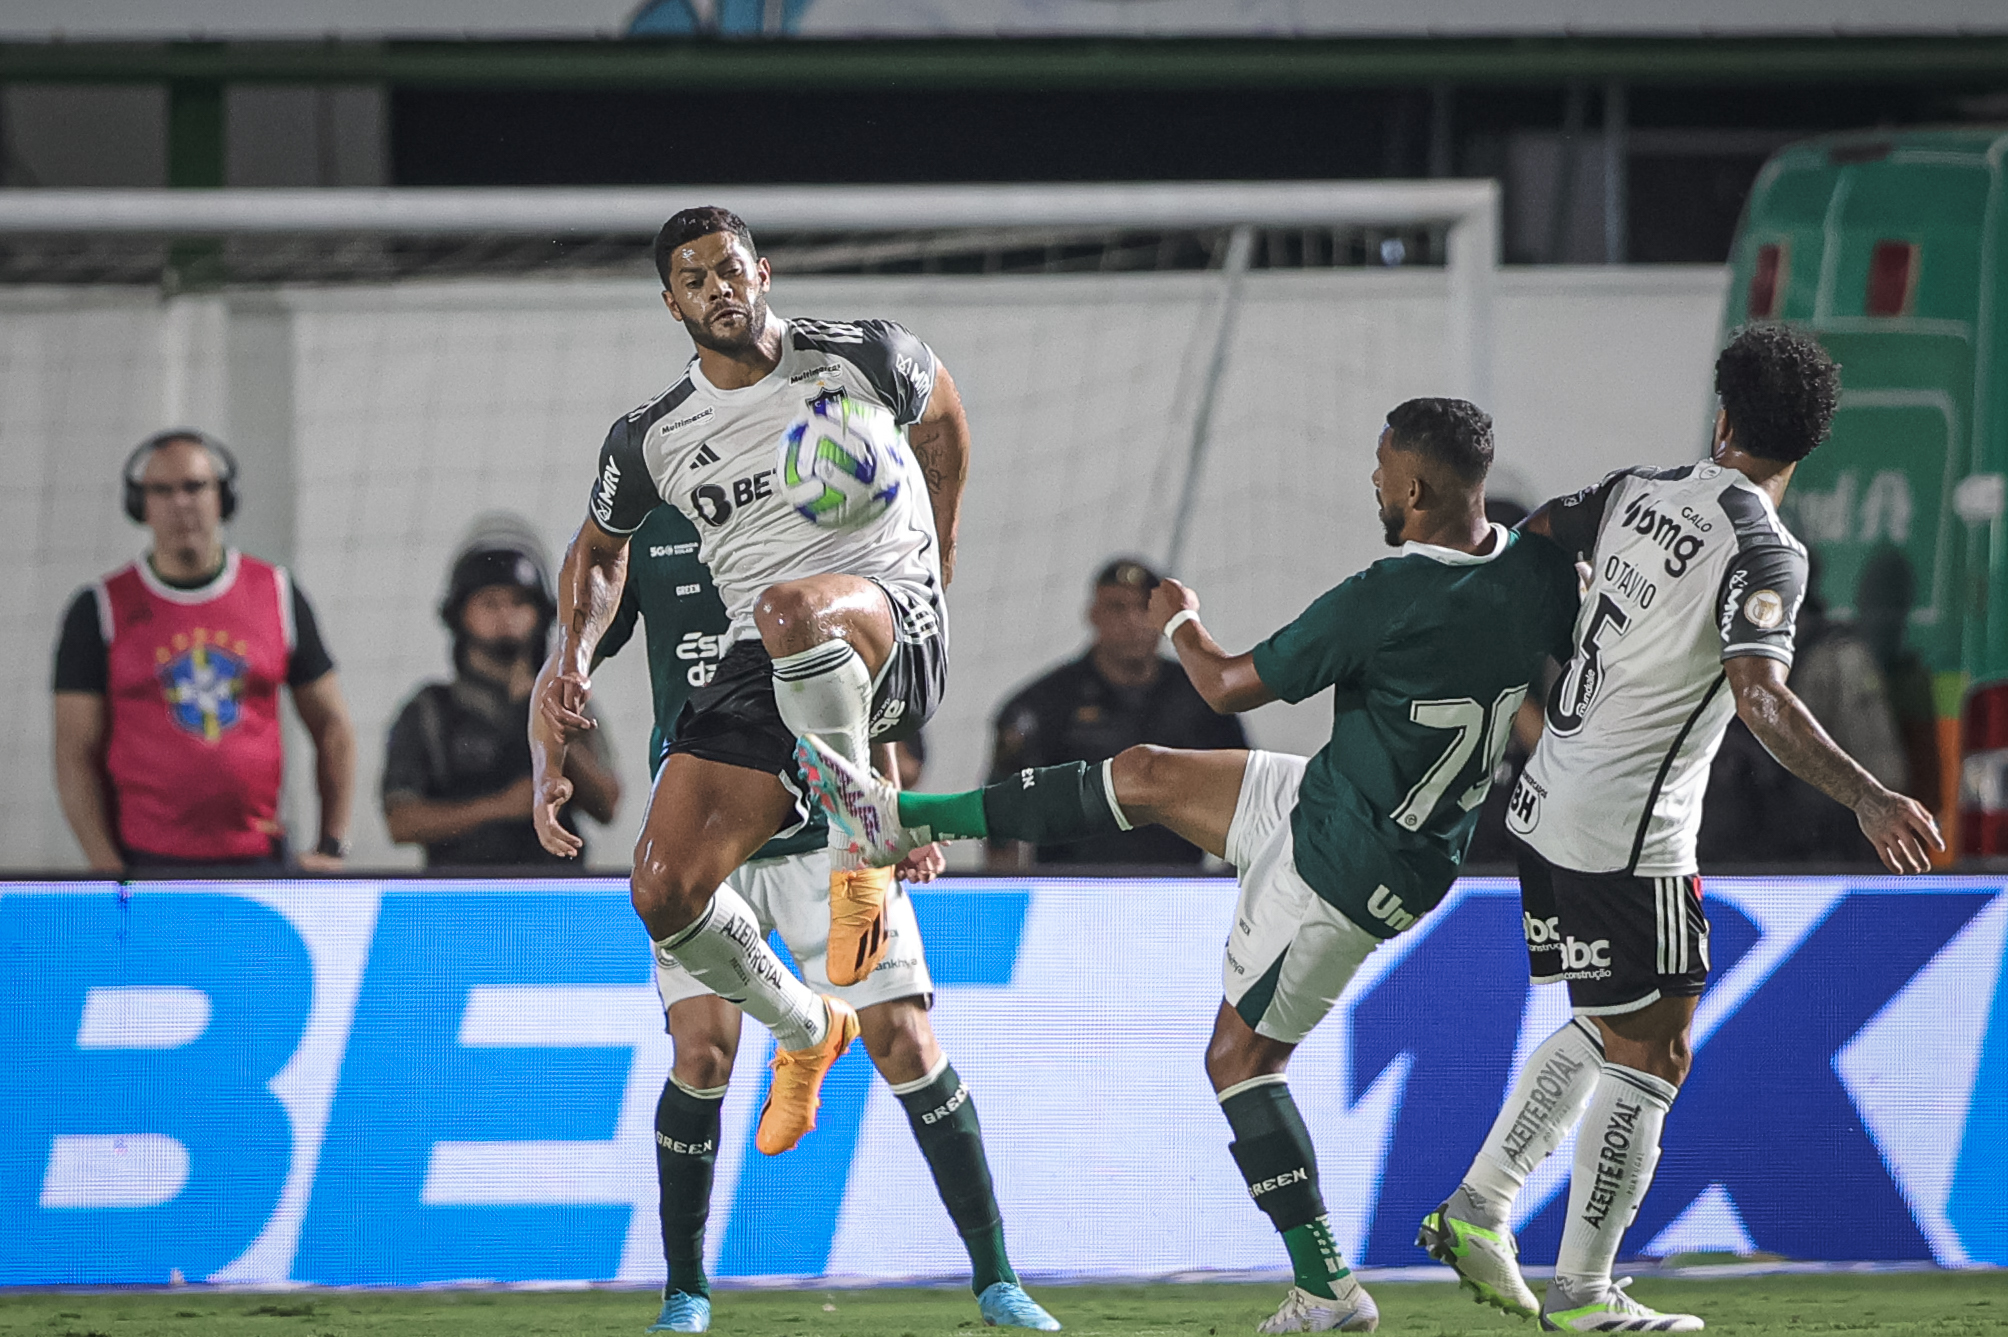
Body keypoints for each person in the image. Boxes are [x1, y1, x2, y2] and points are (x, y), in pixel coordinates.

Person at [800, 399, 1581, 1335]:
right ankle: (900, 820)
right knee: (1146, 773)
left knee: (1240, 1062)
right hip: (1337, 801)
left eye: (1382, 466)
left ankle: (1329, 1289)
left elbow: (1221, 683)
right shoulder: (1538, 573)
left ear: (1413, 486)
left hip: (1346, 865)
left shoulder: (1388, 593)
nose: (1373, 480)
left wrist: (1183, 620)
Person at [1418, 325, 1942, 1333]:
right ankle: (1580, 1293)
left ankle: (1479, 1206)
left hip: (1548, 798)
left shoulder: (1632, 491)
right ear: (1808, 445)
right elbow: (1762, 699)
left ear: (1724, 418)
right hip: (1629, 828)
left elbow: (1531, 540)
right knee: (1655, 1054)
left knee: (1614, 1024)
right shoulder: (1766, 550)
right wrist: (1871, 796)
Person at [532, 503, 1056, 1333]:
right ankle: (685, 1291)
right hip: (709, 841)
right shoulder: (643, 538)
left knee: (907, 1038)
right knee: (701, 1053)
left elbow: (864, 679)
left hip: (833, 840)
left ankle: (998, 1279)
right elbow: (562, 674)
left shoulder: (798, 517)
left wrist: (887, 804)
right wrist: (546, 771)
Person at [535, 206, 971, 1162]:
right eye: (694, 279)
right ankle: (808, 1028)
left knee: (791, 610)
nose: (716, 289)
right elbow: (600, 554)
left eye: (729, 269)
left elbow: (941, 418)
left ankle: (867, 836)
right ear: (671, 302)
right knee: (662, 885)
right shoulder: (650, 438)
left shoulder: (865, 358)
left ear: (762, 271)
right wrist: (570, 654)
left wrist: (937, 557)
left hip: (893, 628)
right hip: (769, 660)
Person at [51, 429, 355, 872]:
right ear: (141, 505)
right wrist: (106, 867)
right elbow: (73, 752)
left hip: (260, 860)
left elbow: (333, 727)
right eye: (162, 490)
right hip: (146, 863)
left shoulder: (277, 593)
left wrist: (332, 846)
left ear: (222, 498)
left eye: (195, 486)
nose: (181, 502)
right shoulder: (99, 609)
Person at [384, 519, 619, 867]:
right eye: (490, 603)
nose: (505, 616)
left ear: (539, 614)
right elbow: (401, 821)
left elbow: (607, 807)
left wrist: (557, 736)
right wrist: (498, 807)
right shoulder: (429, 711)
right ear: (460, 614)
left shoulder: (569, 699)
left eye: (518, 603)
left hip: (554, 895)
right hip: (458, 896)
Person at [987, 558, 1248, 866]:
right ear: (1093, 614)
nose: (1132, 622)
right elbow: (1002, 813)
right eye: (1117, 608)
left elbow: (1243, 795)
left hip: (1178, 893)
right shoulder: (1045, 703)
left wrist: (1232, 889)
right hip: (1069, 892)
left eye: (1144, 609)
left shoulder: (1200, 697)